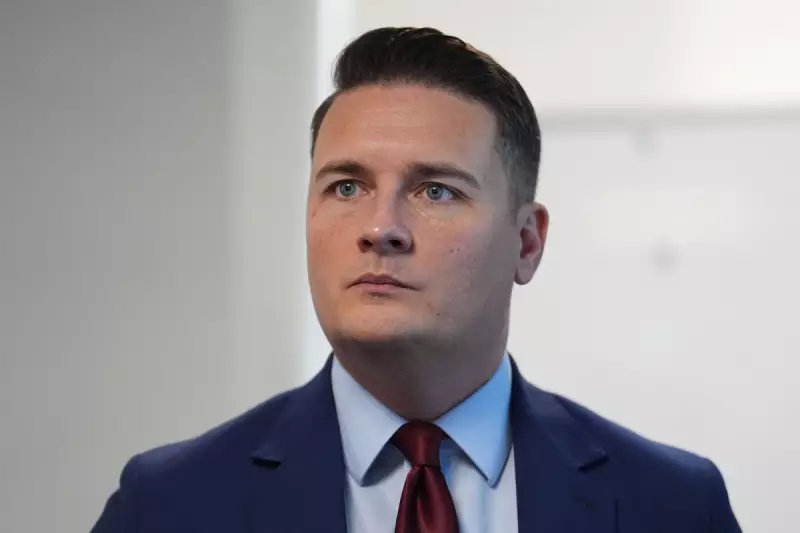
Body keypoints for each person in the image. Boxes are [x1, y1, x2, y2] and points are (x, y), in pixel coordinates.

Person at [91, 27, 741, 532]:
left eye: (435, 190)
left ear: (527, 242)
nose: (381, 228)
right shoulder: (171, 504)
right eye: (347, 186)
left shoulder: (673, 505)